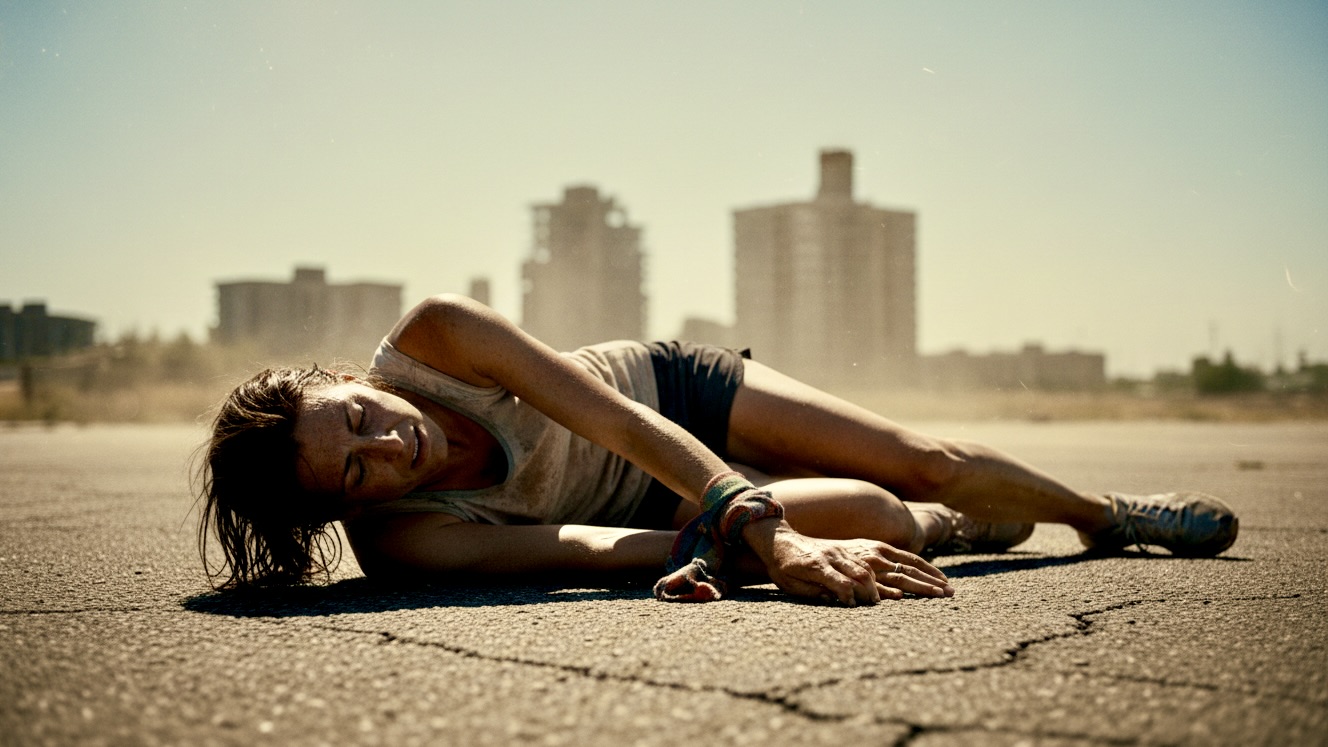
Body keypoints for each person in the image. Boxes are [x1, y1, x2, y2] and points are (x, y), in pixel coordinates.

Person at [196, 294, 1238, 605]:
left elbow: (617, 424)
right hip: (647, 508)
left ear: (346, 377)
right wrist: (726, 556)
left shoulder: (433, 340)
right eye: (353, 473)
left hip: (668, 397)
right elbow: (588, 553)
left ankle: (1105, 517)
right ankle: (955, 530)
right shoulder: (411, 540)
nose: (389, 445)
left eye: (359, 418)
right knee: (873, 518)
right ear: (339, 512)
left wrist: (756, 522)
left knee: (919, 460)